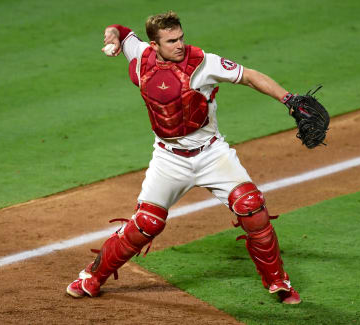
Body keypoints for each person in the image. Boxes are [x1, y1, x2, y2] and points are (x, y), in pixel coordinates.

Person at [66, 11, 301, 304]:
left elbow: (250, 76)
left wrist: (288, 100)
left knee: (251, 207)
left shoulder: (203, 62)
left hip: (211, 155)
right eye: (171, 41)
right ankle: (92, 277)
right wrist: (112, 35)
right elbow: (122, 31)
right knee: (146, 224)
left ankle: (278, 281)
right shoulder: (140, 56)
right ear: (154, 45)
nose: (179, 45)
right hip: (169, 158)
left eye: (181, 38)